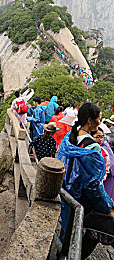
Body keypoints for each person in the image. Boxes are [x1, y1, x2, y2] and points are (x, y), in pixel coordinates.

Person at [57, 103, 114, 259]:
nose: (99, 123)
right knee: (95, 232)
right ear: (90, 121)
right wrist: (107, 205)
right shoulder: (93, 147)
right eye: (99, 120)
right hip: (85, 199)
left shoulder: (71, 137)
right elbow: (93, 184)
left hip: (70, 193)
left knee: (69, 232)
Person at [92, 127, 114, 199]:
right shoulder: (89, 148)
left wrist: (101, 179)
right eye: (98, 137)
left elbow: (107, 167)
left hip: (102, 180)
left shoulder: (104, 150)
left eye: (102, 137)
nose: (100, 139)